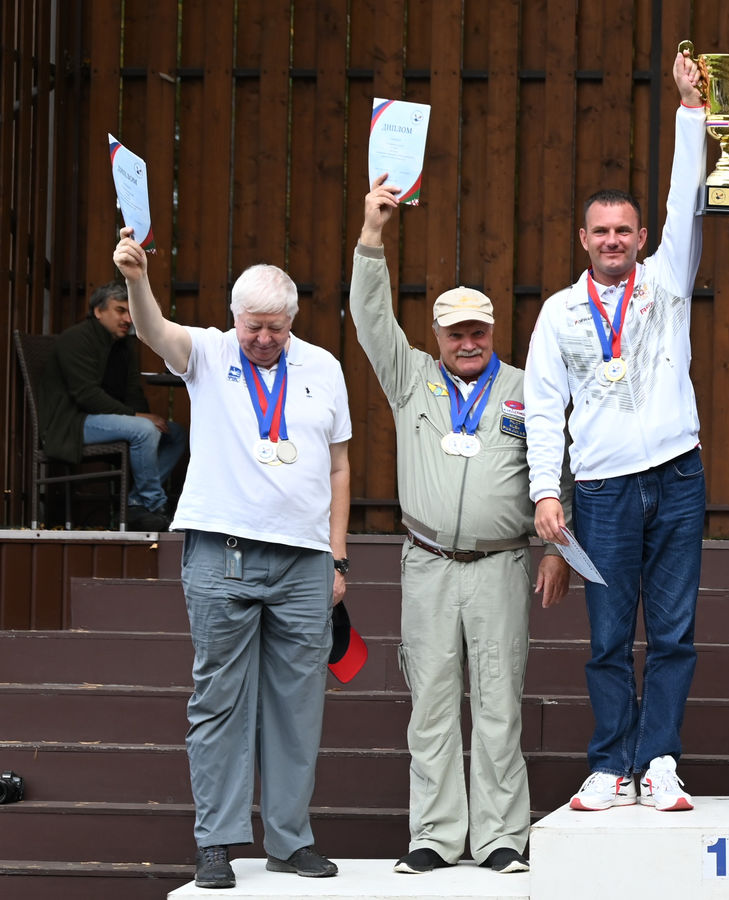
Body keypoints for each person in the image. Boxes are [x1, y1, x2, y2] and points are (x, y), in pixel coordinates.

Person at [113, 227, 350, 889]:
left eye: (275, 328)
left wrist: (339, 558)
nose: (263, 340)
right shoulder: (211, 354)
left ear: (292, 322)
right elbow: (157, 331)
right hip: (223, 553)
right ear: (233, 318)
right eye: (253, 327)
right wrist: (137, 277)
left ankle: (290, 839)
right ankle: (216, 841)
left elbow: (339, 465)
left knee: (299, 703)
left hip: (305, 562)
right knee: (219, 700)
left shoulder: (323, 367)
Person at [349, 178, 572, 874]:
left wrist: (556, 549)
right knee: (433, 703)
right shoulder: (410, 377)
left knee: (500, 701)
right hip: (428, 563)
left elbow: (555, 467)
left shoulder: (524, 387)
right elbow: (368, 317)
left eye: (478, 330)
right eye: (455, 332)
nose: (467, 342)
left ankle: (503, 836)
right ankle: (437, 835)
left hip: (503, 562)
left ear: (492, 332)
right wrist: (372, 236)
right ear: (437, 336)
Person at [523, 50, 706, 814]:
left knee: (671, 632)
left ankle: (657, 759)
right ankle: (609, 764)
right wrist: (543, 494)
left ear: (640, 236)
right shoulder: (559, 315)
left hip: (677, 476)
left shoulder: (667, 281)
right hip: (597, 491)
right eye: (601, 231)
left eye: (624, 229)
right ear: (582, 237)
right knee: (605, 636)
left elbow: (683, 198)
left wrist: (689, 109)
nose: (613, 240)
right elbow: (540, 407)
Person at [37, 280, 187, 530]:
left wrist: (144, 413)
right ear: (98, 311)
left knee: (175, 434)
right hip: (70, 423)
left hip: (101, 418)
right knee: (144, 429)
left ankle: (137, 503)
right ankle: (152, 504)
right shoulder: (76, 339)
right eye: (120, 310)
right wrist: (138, 416)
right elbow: (86, 395)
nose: (128, 318)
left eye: (130, 312)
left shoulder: (122, 345)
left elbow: (132, 391)